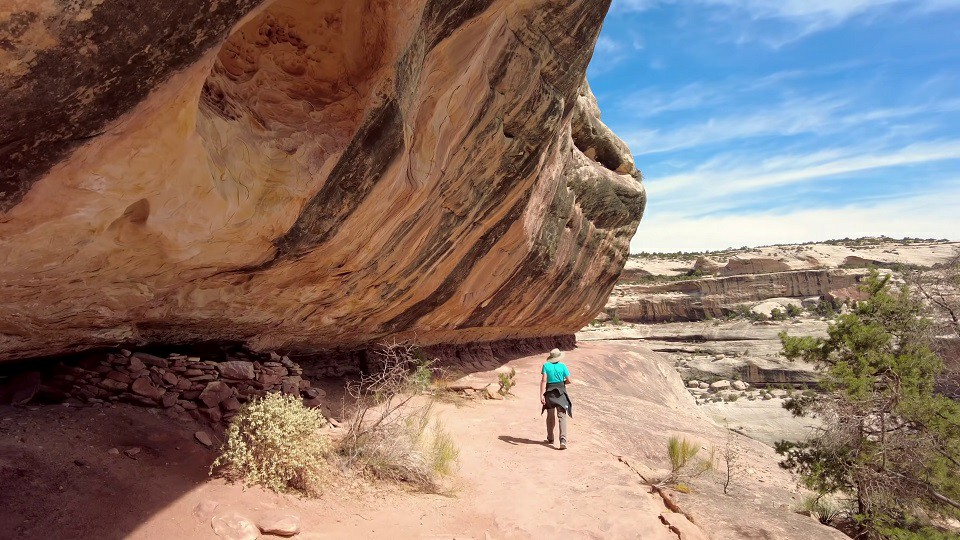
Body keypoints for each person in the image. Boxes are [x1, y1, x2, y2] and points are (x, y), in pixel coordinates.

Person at [540, 348, 572, 449]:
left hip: (549, 393)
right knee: (561, 416)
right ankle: (563, 440)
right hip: (561, 393)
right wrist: (562, 383)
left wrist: (541, 394)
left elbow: (543, 380)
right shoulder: (562, 366)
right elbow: (569, 380)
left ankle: (550, 438)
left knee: (550, 415)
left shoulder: (546, 366)